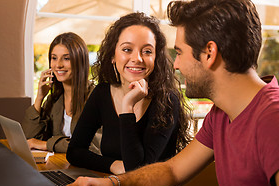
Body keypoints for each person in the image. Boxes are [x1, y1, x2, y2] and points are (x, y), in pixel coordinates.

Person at [61, 0, 279, 186]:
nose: (175, 64)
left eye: (180, 52)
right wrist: (113, 184)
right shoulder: (221, 113)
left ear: (209, 53)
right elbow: (172, 171)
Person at [66, 12, 191, 174]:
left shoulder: (166, 101)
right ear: (113, 55)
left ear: (156, 58)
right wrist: (112, 164)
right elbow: (74, 152)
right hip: (115, 185)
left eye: (147, 51)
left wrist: (127, 107)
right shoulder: (102, 93)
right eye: (127, 49)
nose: (137, 58)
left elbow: (138, 170)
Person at [22, 32, 100, 153]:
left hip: (88, 169)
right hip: (61, 165)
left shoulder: (96, 98)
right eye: (54, 58)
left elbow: (91, 147)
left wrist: (46, 144)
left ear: (79, 61)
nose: (58, 65)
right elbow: (30, 139)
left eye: (66, 58)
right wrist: (39, 98)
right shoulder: (54, 99)